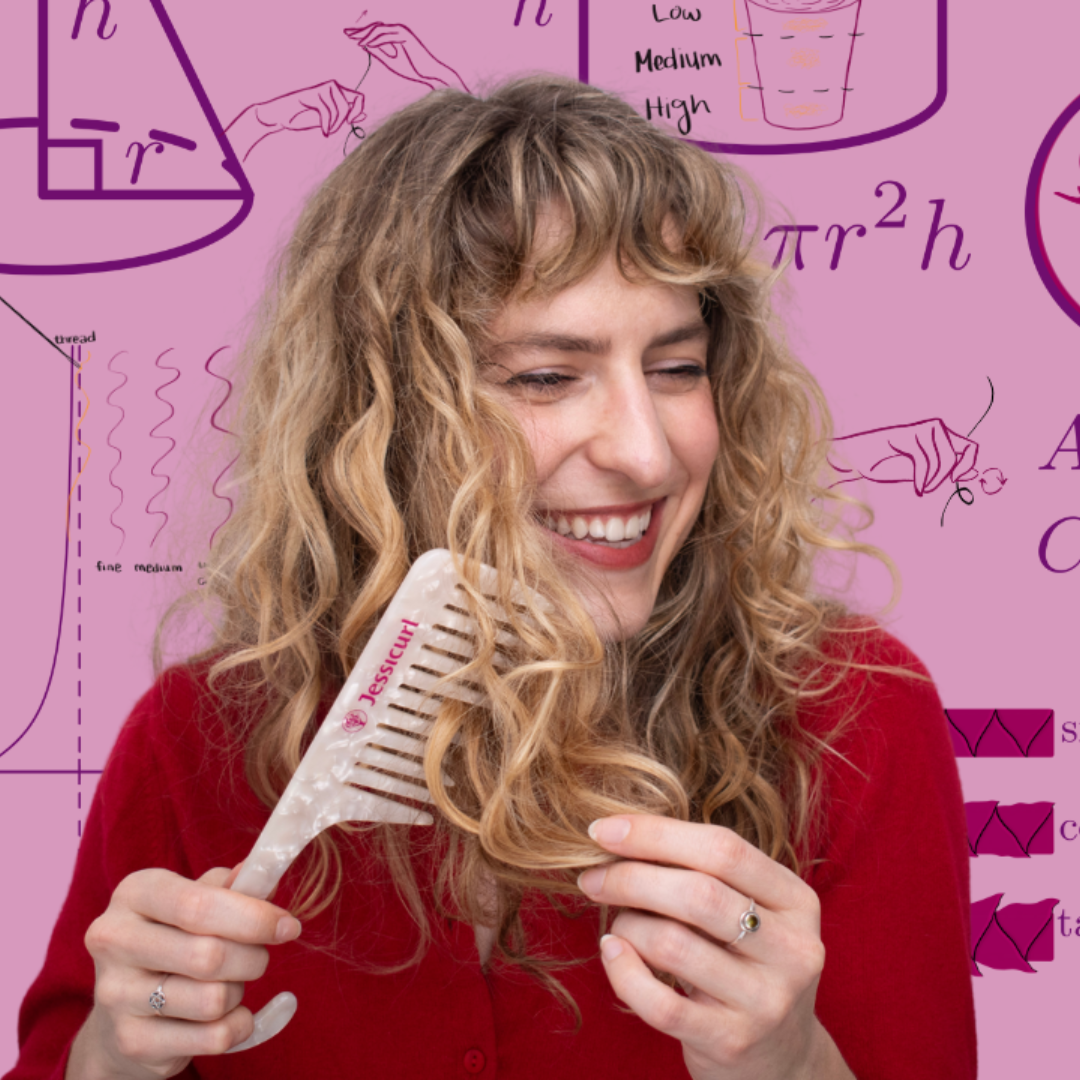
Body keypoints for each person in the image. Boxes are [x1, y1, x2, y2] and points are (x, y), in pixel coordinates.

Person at [6, 76, 976, 1080]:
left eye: (679, 368)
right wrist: (111, 1059)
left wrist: (790, 1062)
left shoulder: (852, 717)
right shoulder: (193, 744)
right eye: (548, 376)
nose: (647, 456)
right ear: (381, 416)